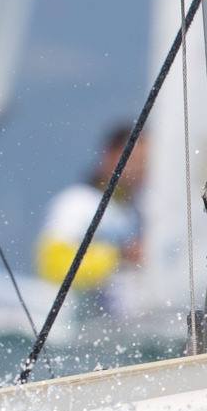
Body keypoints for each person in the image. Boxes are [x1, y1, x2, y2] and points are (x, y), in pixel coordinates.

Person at [35, 124, 146, 310]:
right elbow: (52, 263)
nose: (141, 169)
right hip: (70, 322)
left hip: (118, 323)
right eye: (136, 160)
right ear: (110, 156)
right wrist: (120, 256)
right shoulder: (77, 203)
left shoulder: (136, 214)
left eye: (147, 162)